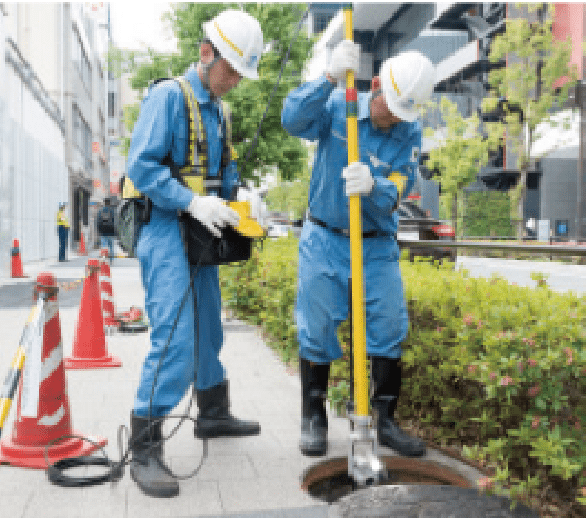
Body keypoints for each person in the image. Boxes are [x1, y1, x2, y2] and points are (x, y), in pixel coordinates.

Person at [125, 9, 264, 498]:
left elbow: (220, 175)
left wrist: (241, 194)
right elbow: (142, 169)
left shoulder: (220, 111)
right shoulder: (169, 97)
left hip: (200, 228)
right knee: (176, 339)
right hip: (164, 228)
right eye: (231, 71)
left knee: (209, 326)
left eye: (241, 75)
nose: (234, 83)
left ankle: (213, 413)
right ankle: (144, 446)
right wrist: (191, 201)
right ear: (207, 54)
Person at [282, 46, 437, 458]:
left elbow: (402, 186)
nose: (397, 120)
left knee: (388, 327)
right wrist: (328, 77)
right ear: (374, 86)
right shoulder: (337, 106)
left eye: (406, 112)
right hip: (325, 238)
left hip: (375, 244)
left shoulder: (409, 130)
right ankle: (313, 415)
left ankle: (385, 419)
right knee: (316, 329)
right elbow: (291, 119)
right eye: (392, 109)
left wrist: (376, 186)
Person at [96, 198, 116, 263]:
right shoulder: (112, 211)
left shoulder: (100, 211)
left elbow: (98, 221)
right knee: (111, 246)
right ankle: (111, 260)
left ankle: (104, 258)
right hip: (111, 232)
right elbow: (115, 221)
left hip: (103, 232)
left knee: (104, 246)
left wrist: (98, 231)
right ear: (109, 203)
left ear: (104, 203)